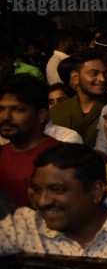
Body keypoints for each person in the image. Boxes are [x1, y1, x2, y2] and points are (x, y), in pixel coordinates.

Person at [0, 75, 61, 208]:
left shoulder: (62, 157)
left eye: (17, 110)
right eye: (1, 109)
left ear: (41, 115)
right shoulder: (1, 154)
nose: (5, 117)